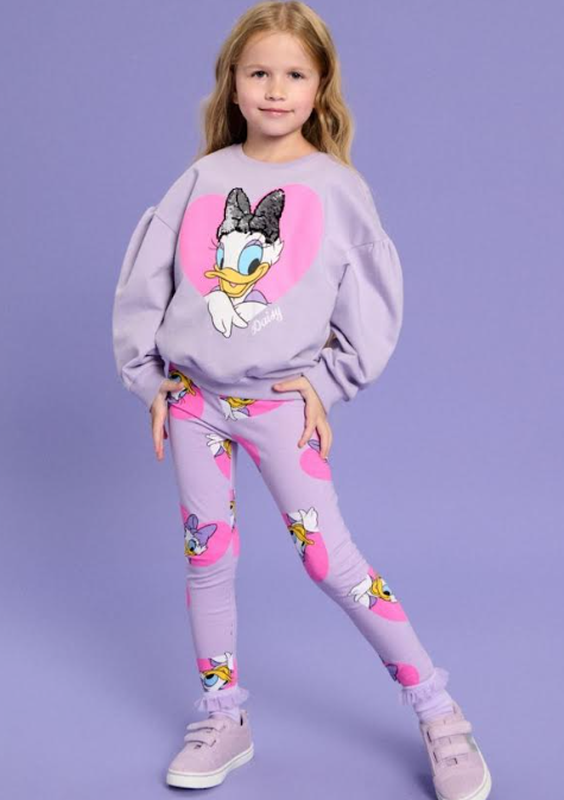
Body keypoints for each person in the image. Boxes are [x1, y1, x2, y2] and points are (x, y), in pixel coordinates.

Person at [111, 2, 492, 797]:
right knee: (207, 559)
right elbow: (146, 281)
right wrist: (150, 380)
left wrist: (326, 381)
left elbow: (372, 307)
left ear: (320, 87)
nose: (275, 89)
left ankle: (440, 710)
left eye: (293, 74)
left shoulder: (338, 189)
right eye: (259, 73)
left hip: (277, 408)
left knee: (331, 560)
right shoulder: (202, 180)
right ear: (233, 84)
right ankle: (223, 715)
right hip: (195, 404)